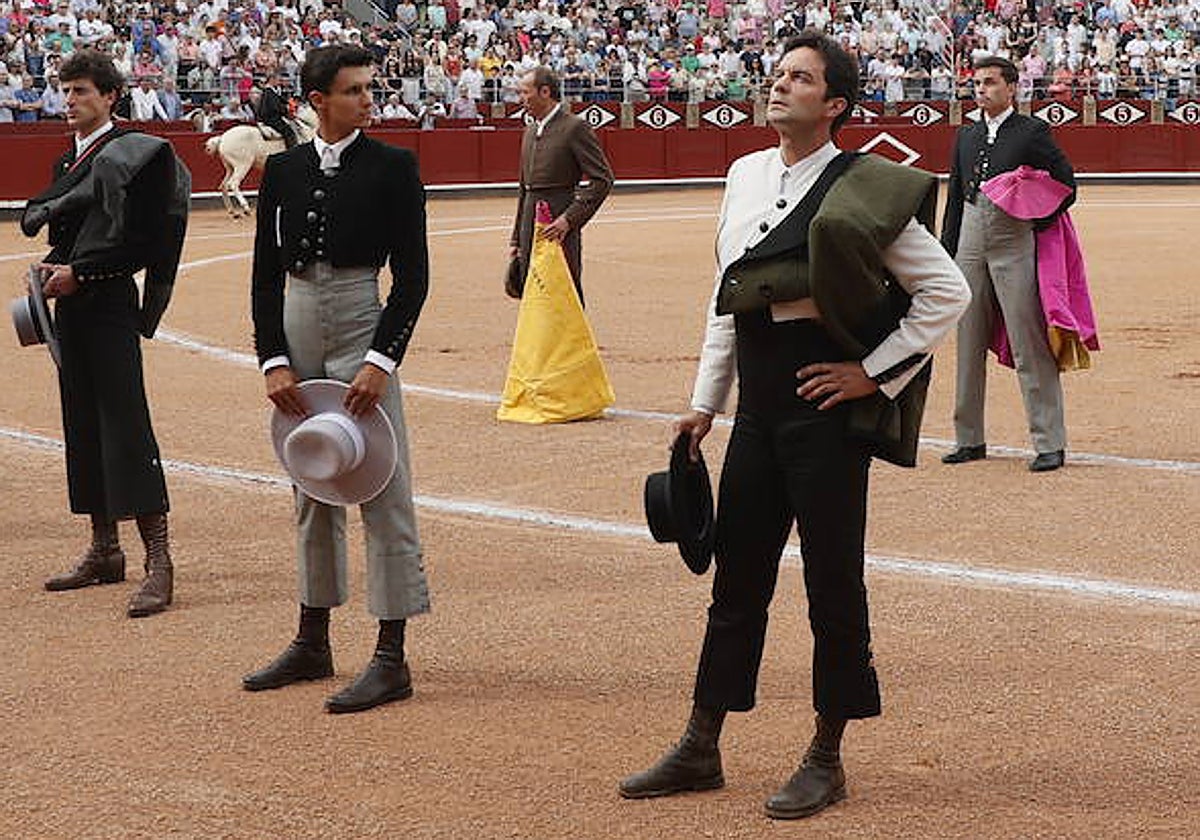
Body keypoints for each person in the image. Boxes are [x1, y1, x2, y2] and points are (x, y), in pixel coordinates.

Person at [617, 31, 969, 820]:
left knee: (830, 583)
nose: (779, 86)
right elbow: (727, 293)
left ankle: (826, 756)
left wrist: (870, 373)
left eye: (800, 78)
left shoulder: (868, 188)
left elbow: (948, 293)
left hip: (825, 412)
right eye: (777, 74)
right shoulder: (745, 173)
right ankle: (702, 744)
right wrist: (705, 403)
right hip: (758, 405)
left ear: (835, 104)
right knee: (737, 578)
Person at [244, 44, 432, 715]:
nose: (367, 101)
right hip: (297, 319)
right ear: (317, 100)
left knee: (382, 483)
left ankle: (390, 656)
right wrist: (273, 359)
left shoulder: (392, 166)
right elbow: (265, 273)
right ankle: (312, 639)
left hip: (360, 316)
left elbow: (412, 277)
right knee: (310, 480)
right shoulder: (285, 170)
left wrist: (381, 360)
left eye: (368, 90)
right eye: (353, 91)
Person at [24, 49, 189, 618]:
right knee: (85, 421)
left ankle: (160, 562)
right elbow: (70, 242)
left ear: (110, 96)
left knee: (126, 423)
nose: (69, 102)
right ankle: (105, 549)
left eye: (81, 92)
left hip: (111, 303)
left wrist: (83, 273)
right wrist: (54, 268)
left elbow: (147, 244)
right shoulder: (65, 162)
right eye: (65, 92)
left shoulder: (138, 155)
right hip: (73, 308)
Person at [940, 55, 1076, 472]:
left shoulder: (1032, 132)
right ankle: (969, 438)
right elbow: (957, 201)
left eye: (990, 83)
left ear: (1012, 87)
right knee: (968, 340)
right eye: (977, 84)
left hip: (1013, 239)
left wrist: (1035, 218)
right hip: (969, 241)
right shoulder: (966, 135)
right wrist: (947, 255)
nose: (980, 90)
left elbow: (1065, 184)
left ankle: (1049, 441)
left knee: (1028, 340)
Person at [508, 66, 613, 304]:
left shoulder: (574, 127)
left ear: (545, 92)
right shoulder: (530, 129)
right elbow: (524, 188)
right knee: (531, 282)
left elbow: (602, 179)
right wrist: (516, 237)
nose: (521, 98)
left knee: (564, 282)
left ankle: (574, 341)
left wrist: (569, 219)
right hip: (530, 221)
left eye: (525, 92)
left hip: (559, 218)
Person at [256, 71, 298, 148]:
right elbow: (275, 107)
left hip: (270, 117)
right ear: (272, 79)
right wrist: (286, 109)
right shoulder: (268, 91)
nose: (279, 82)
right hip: (271, 118)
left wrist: (288, 103)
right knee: (289, 131)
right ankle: (291, 150)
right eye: (278, 80)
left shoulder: (271, 91)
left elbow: (280, 100)